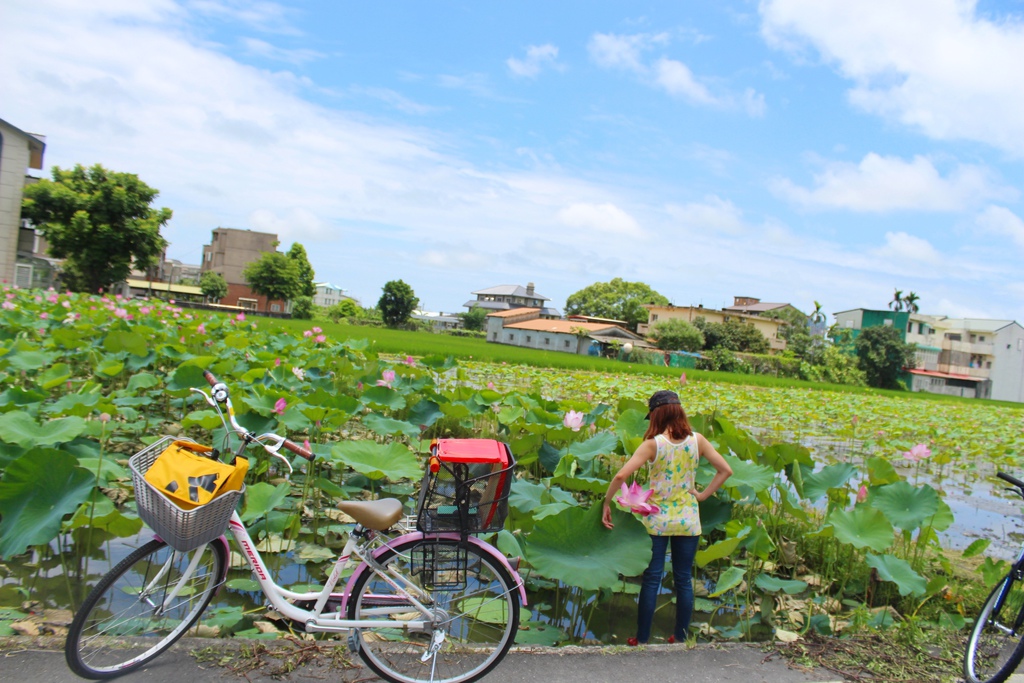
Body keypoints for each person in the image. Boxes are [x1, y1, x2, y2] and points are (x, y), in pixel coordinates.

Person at [602, 389, 732, 645]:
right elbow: (725, 470)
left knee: (652, 579)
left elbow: (620, 477)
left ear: (656, 415)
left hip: (657, 521)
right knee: (683, 579)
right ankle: (681, 637)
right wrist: (703, 495)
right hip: (688, 521)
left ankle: (641, 639)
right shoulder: (698, 440)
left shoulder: (653, 445)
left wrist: (607, 502)